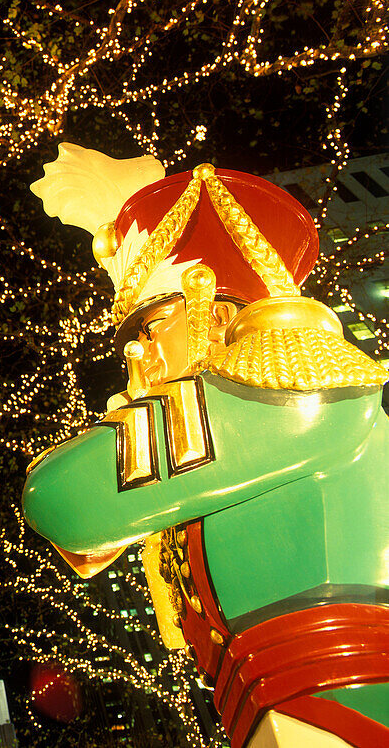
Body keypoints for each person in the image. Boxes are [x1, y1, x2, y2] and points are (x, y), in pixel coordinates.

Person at [22, 145, 389, 748]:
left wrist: (136, 424)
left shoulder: (301, 378)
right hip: (286, 702)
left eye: (149, 328)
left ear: (210, 314)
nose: (136, 354)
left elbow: (63, 499)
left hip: (350, 700)